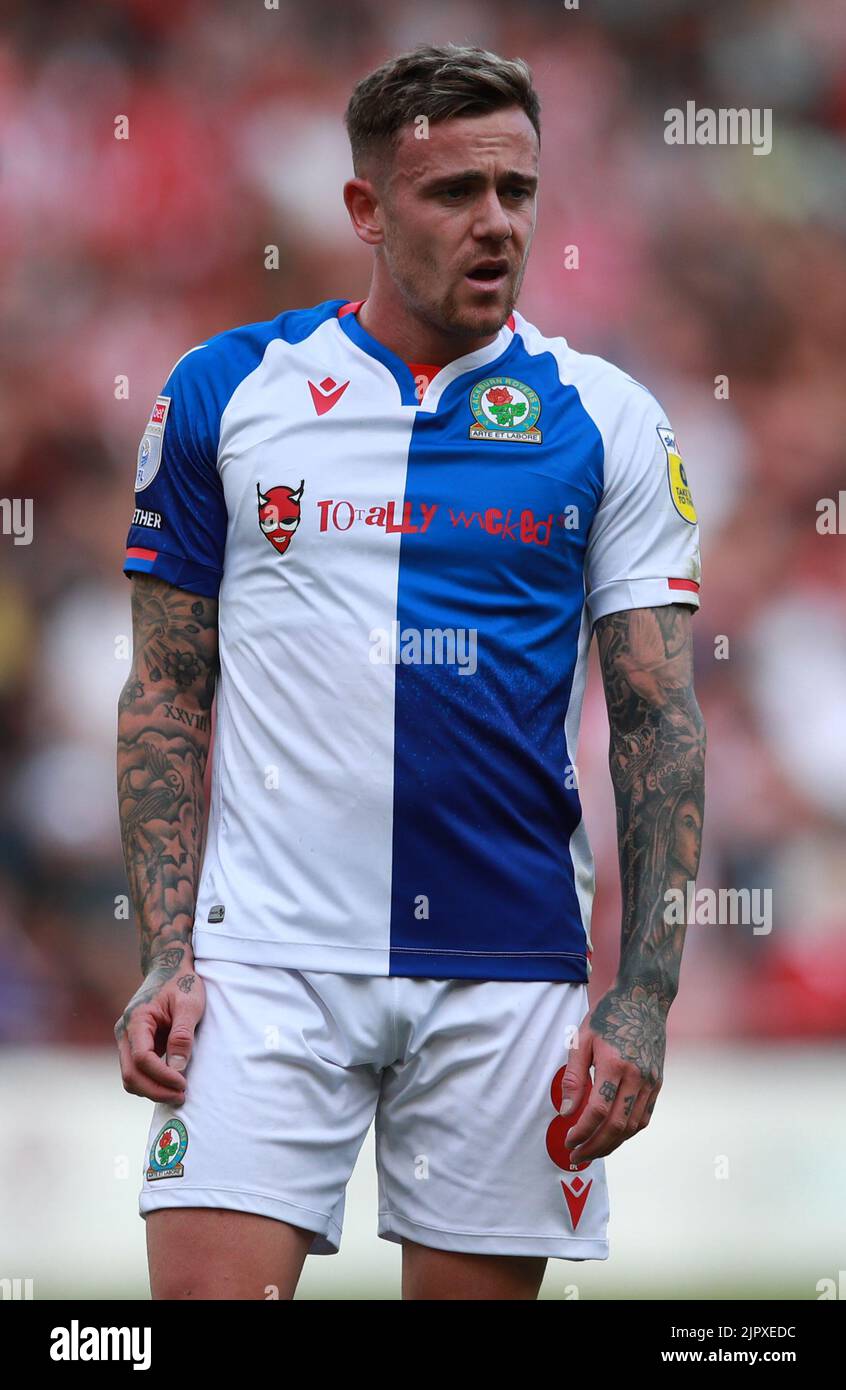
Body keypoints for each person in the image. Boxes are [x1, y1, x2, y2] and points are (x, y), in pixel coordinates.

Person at [115, 42, 705, 1301]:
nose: (497, 224)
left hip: (509, 969)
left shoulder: (605, 419)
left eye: (519, 191)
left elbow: (658, 721)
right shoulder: (224, 393)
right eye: (454, 194)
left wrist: (644, 997)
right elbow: (167, 690)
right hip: (266, 960)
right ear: (366, 211)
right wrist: (167, 952)